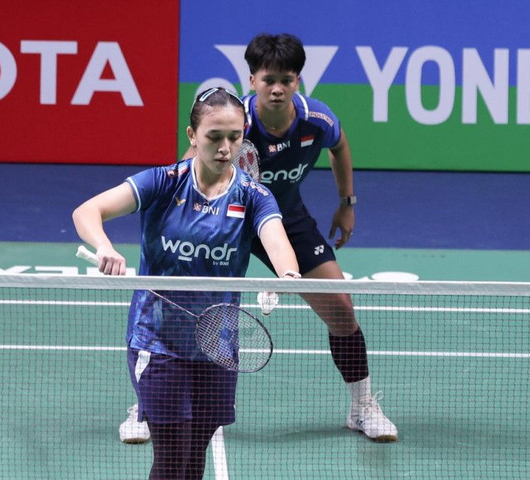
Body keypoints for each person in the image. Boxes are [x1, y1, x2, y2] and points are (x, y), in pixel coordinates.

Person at [120, 32, 398, 444]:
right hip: (224, 220)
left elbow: (339, 146)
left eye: (287, 79)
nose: (277, 88)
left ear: (298, 81)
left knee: (341, 309)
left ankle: (362, 406)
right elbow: (188, 170)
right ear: (252, 81)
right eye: (269, 79)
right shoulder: (234, 123)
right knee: (176, 310)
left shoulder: (316, 121)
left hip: (284, 218)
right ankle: (146, 405)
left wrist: (347, 202)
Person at [73, 87, 300, 479]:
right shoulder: (164, 182)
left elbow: (277, 240)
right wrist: (104, 246)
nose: (225, 148)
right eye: (214, 136)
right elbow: (87, 211)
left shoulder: (253, 196)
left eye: (234, 137)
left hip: (217, 345)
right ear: (192, 135)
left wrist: (288, 275)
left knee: (194, 457)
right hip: (158, 340)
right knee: (171, 457)